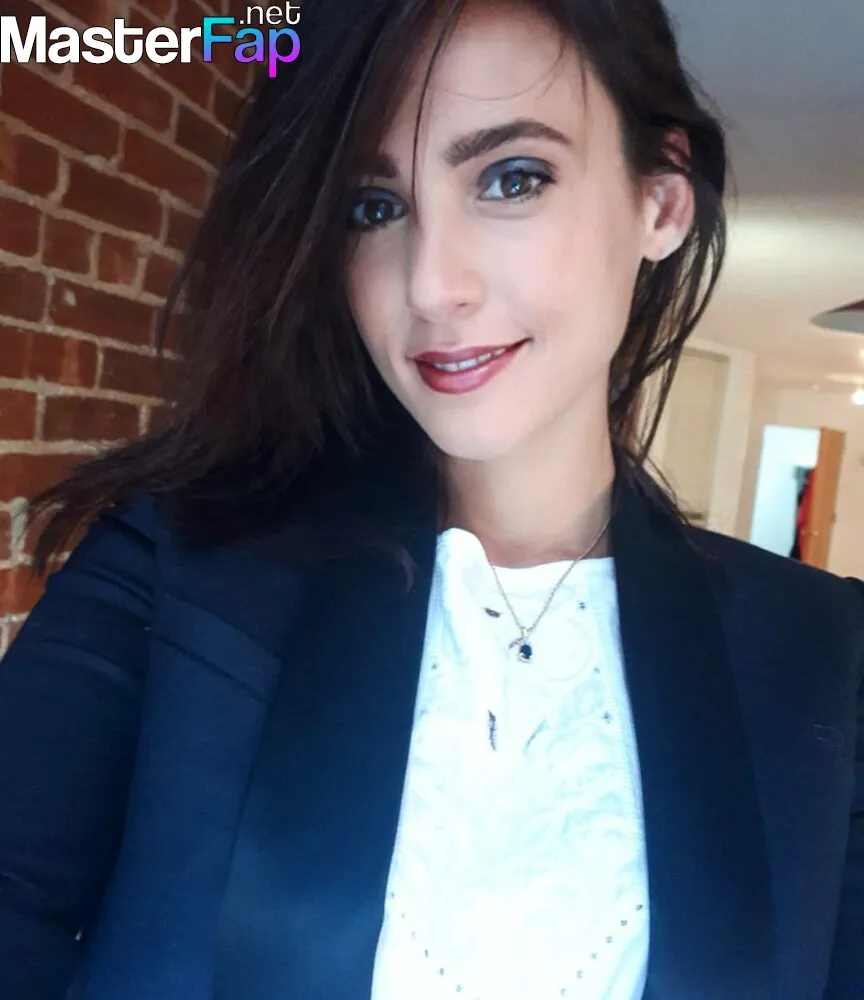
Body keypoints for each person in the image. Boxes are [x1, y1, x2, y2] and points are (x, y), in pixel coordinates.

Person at [0, 0, 861, 997]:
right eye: (374, 207)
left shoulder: (823, 656)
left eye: (511, 178)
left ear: (661, 203)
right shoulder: (175, 572)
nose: (430, 284)